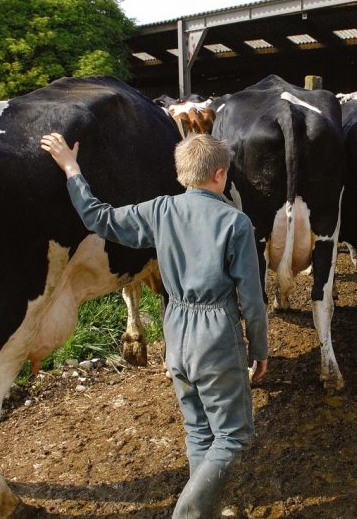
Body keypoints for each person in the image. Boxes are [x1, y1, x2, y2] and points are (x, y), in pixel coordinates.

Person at [41, 132, 268, 519]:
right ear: (220, 175)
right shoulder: (236, 223)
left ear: (182, 174)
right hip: (217, 335)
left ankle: (206, 512)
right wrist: (259, 350)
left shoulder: (161, 211)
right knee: (234, 436)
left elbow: (99, 217)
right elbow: (252, 300)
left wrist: (71, 169)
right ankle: (189, 513)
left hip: (176, 330)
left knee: (198, 430)